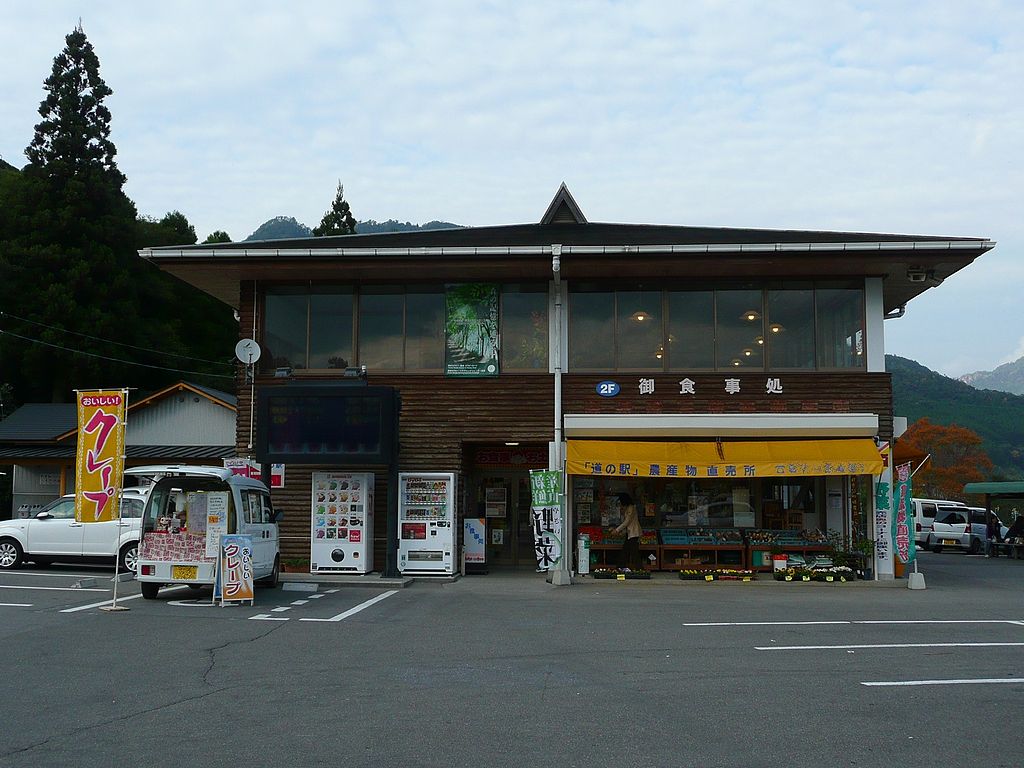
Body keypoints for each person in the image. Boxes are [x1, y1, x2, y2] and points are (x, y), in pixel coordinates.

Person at [612, 492, 642, 570]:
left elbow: (627, 522)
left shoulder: (631, 508)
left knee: (633, 552)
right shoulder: (628, 508)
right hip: (630, 533)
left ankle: (639, 569)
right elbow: (625, 521)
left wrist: (617, 530)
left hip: (633, 533)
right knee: (627, 551)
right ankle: (621, 566)